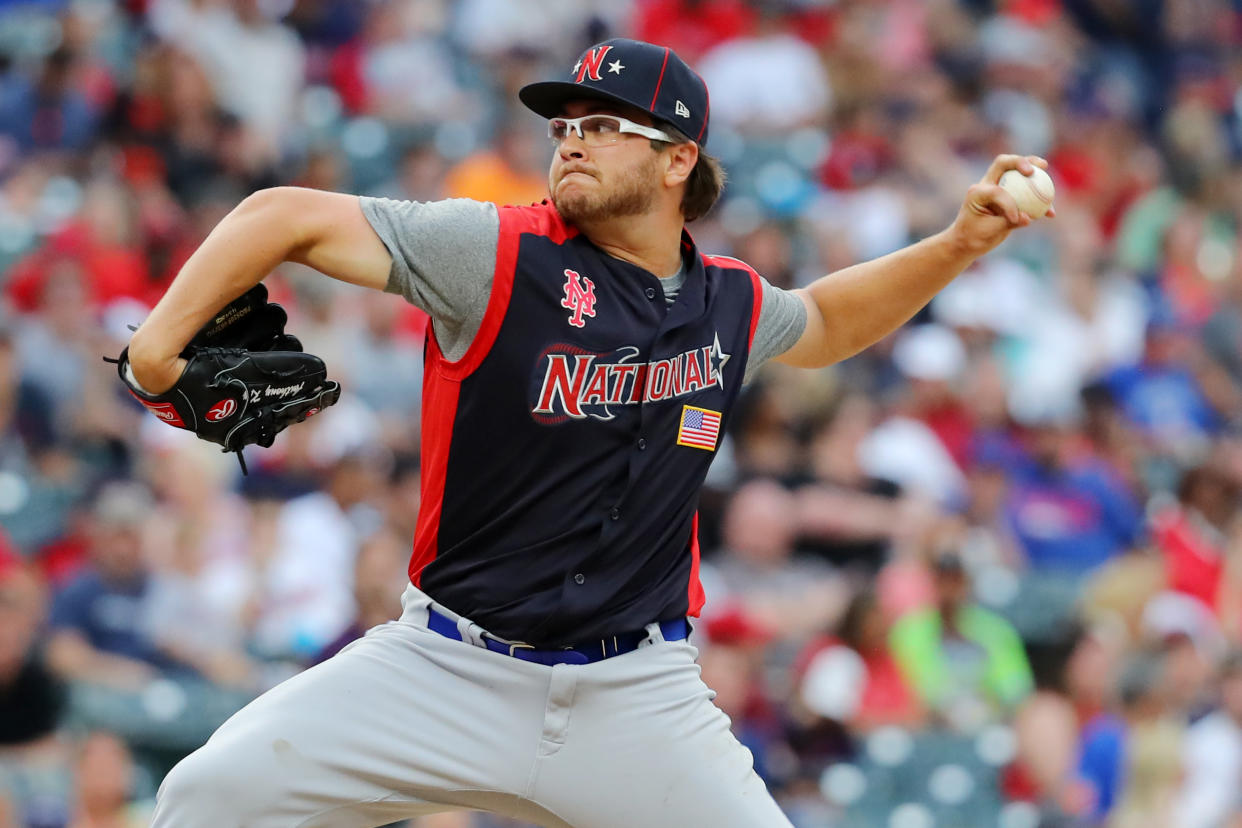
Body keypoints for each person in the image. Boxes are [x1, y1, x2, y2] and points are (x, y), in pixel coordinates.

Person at [125, 37, 1050, 828]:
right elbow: (279, 215)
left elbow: (828, 322)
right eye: (565, 126)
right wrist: (158, 353)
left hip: (635, 696)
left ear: (678, 159)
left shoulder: (727, 301)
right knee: (207, 799)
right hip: (447, 665)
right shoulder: (494, 251)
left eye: (606, 127)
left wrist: (961, 242)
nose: (572, 144)